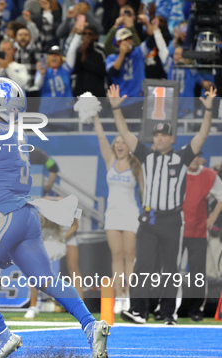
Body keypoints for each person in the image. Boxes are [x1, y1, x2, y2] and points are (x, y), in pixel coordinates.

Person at [0, 77, 109, 358]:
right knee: (45, 279)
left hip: (3, 214)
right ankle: (90, 324)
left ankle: (2, 335)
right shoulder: (15, 134)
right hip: (26, 215)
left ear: (0, 100)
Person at [109, 84, 217, 325]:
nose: (158, 138)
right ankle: (138, 310)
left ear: (171, 138)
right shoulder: (146, 155)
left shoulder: (181, 157)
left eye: (163, 135)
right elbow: (126, 135)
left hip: (172, 220)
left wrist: (209, 111)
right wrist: (116, 109)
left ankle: (168, 313)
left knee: (170, 268)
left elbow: (201, 137)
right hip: (149, 219)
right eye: (156, 135)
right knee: (142, 266)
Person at [93, 114, 143, 314]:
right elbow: (101, 138)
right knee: (116, 257)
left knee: (130, 257)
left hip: (131, 214)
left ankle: (129, 295)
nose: (120, 145)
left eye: (124, 142)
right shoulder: (110, 160)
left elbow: (145, 191)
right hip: (112, 215)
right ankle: (118, 297)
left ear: (129, 145)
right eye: (118, 142)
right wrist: (96, 116)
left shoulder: (136, 165)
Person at [181, 155, 222, 321]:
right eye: (189, 155)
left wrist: (212, 216)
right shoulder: (176, 171)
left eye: (195, 156)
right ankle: (168, 309)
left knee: (197, 272)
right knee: (170, 270)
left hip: (198, 230)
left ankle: (195, 309)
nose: (192, 159)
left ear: (199, 159)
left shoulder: (209, 175)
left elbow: (220, 196)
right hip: (175, 229)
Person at [71, 24, 106, 98]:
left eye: (90, 34)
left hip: (96, 93)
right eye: (84, 33)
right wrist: (82, 52)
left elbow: (103, 71)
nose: (86, 36)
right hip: (80, 92)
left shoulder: (100, 52)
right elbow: (74, 70)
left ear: (96, 37)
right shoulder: (77, 52)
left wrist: (84, 61)